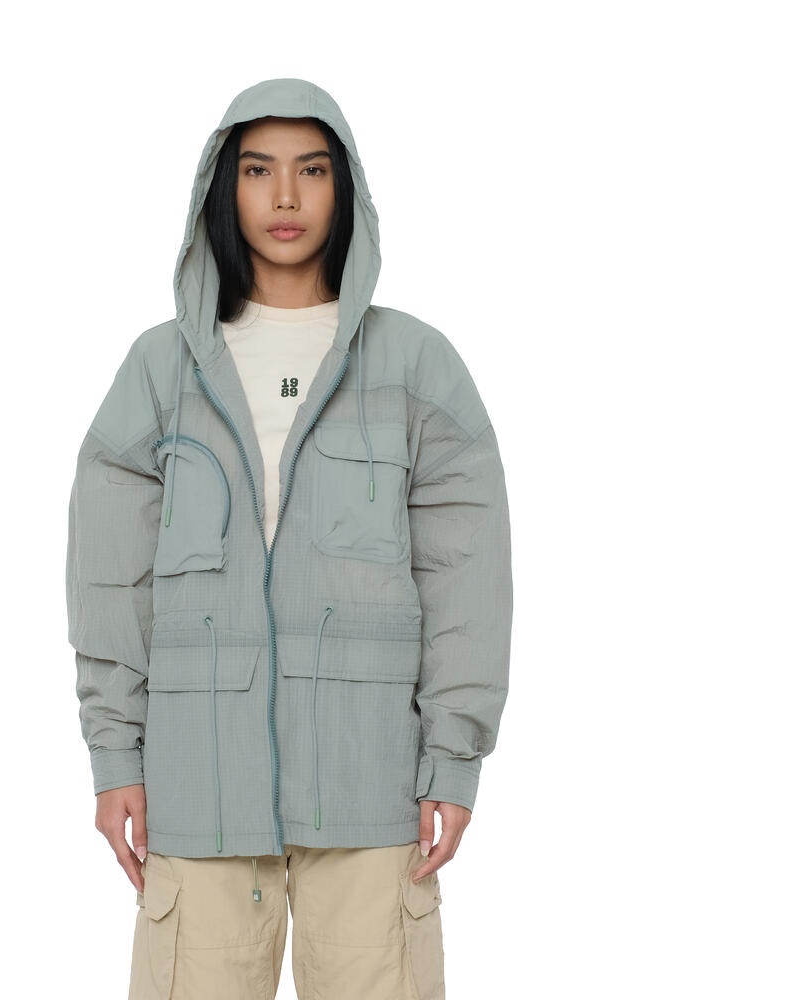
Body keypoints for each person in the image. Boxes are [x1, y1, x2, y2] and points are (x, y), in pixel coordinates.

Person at [66, 78, 513, 1000]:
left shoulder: (416, 366)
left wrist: (453, 759)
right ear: (221, 190)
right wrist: (115, 757)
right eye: (257, 170)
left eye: (311, 170)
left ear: (345, 191)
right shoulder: (161, 370)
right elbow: (109, 577)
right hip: (200, 791)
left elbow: (467, 579)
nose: (283, 196)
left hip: (371, 792)